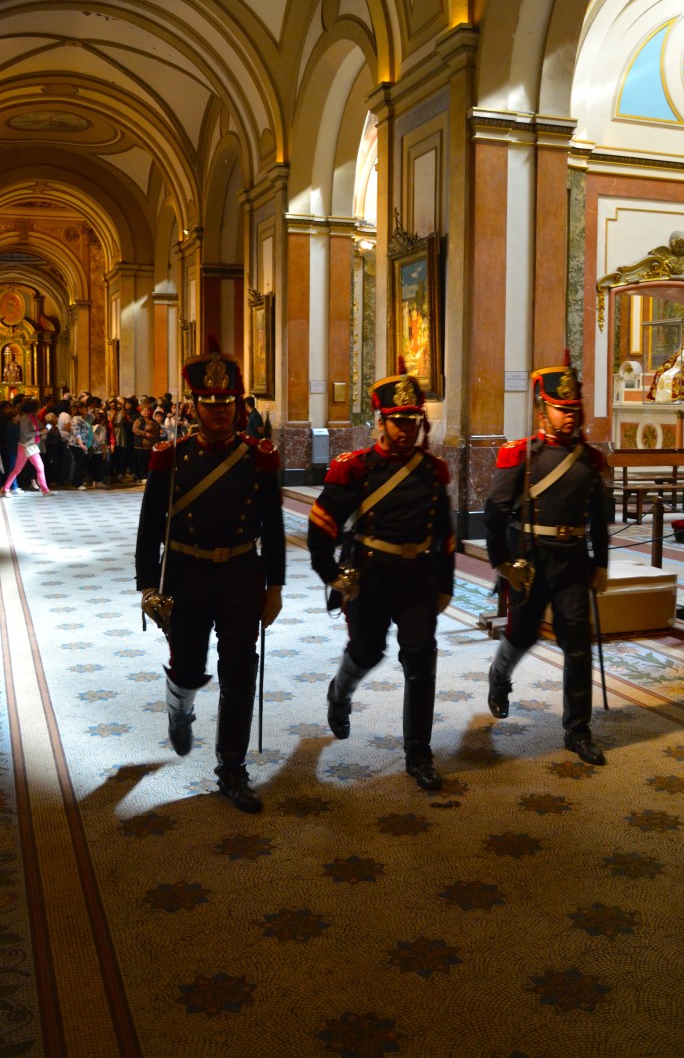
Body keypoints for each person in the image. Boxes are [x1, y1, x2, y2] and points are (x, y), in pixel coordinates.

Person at [135, 345, 285, 814]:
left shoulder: (258, 458)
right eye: (209, 403)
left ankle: (232, 769)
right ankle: (179, 707)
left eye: (226, 404)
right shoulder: (171, 458)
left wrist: (275, 586)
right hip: (187, 574)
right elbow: (149, 526)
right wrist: (148, 585)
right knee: (188, 666)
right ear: (194, 406)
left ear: (238, 407)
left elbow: (274, 527)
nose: (219, 412)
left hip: (240, 574)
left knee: (239, 671)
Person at [307, 363, 455, 791]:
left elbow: (444, 533)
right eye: (397, 421)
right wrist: (331, 575)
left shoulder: (431, 470)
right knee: (367, 652)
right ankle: (340, 692)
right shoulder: (356, 468)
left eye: (412, 421)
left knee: (420, 659)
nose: (405, 429)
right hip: (370, 577)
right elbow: (321, 525)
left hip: (418, 578)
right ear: (381, 421)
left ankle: (418, 752)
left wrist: (446, 583)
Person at [484, 354, 609, 765]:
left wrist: (601, 563)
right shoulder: (521, 456)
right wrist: (503, 563)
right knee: (522, 634)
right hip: (530, 560)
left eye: (574, 409)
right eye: (561, 409)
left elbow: (599, 518)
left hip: (573, 562)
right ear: (542, 410)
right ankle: (500, 675)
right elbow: (494, 513)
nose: (570, 416)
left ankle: (578, 730)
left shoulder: (590, 460)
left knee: (578, 644)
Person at [0, 398, 53, 496]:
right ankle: (5, 489)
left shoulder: (32, 417)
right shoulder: (25, 418)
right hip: (25, 446)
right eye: (38, 407)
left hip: (30, 446)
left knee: (36, 467)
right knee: (19, 469)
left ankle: (45, 490)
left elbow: (38, 428)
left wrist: (46, 427)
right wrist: (40, 432)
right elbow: (25, 433)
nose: (40, 409)